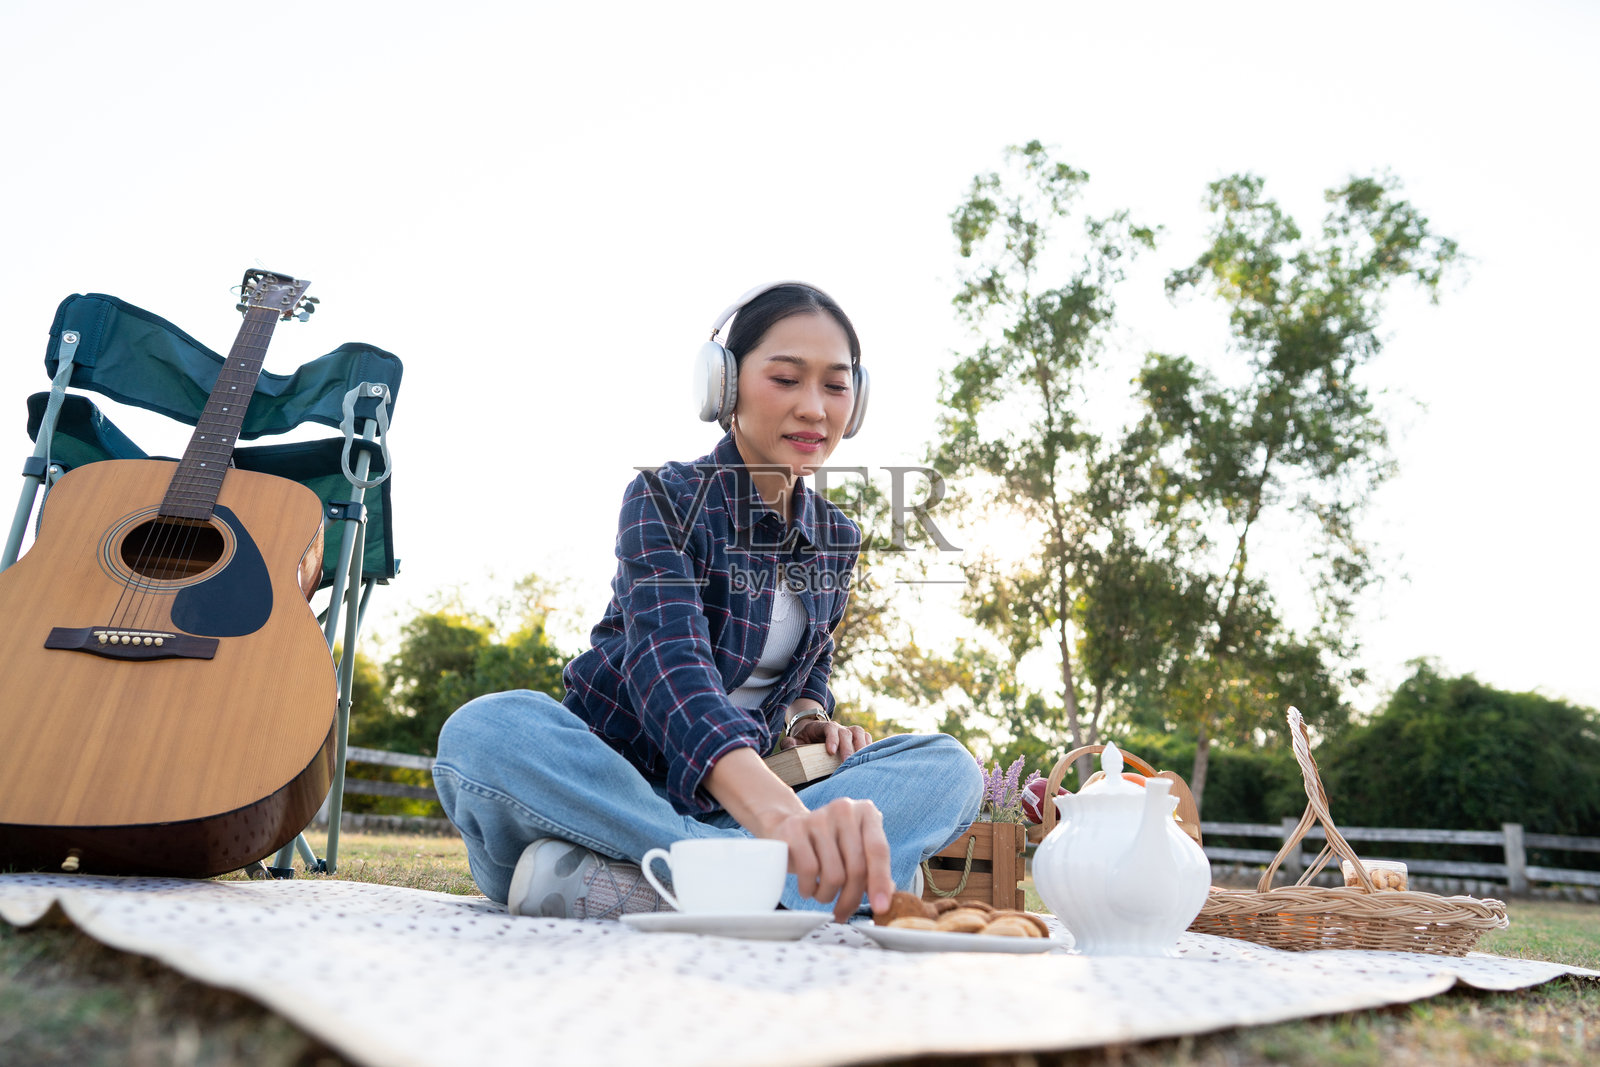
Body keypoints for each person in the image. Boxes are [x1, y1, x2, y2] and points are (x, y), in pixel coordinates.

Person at [432, 282, 982, 923]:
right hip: (616, 785)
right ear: (724, 386)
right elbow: (675, 671)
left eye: (835, 386)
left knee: (947, 768)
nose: (813, 408)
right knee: (487, 731)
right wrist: (783, 822)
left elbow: (811, 666)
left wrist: (809, 718)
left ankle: (653, 881)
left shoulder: (837, 537)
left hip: (736, 804)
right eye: (785, 379)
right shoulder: (663, 497)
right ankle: (758, 878)